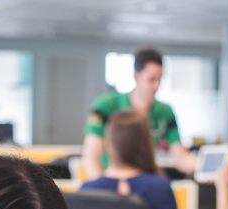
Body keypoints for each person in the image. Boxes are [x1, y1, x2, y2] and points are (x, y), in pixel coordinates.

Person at [82, 47, 197, 180]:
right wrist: (105, 192)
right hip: (112, 181)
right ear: (137, 76)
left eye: (160, 79)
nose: (156, 86)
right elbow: (91, 157)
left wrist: (206, 168)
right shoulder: (105, 106)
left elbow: (181, 158)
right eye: (151, 79)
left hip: (146, 184)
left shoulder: (165, 111)